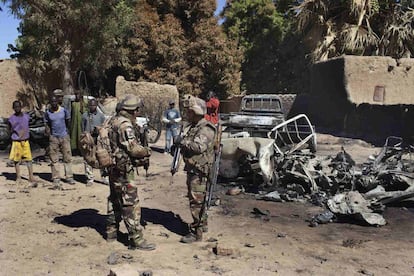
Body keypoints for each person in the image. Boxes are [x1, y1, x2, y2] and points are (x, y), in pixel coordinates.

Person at [106, 94, 155, 251]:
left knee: (114, 198)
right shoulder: (125, 125)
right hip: (124, 170)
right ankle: (136, 239)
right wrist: (147, 151)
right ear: (133, 110)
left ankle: (111, 232)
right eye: (137, 110)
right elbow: (134, 149)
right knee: (130, 203)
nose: (138, 113)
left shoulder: (111, 120)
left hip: (112, 167)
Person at [178, 95, 216, 243]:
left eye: (189, 111)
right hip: (194, 169)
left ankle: (196, 232)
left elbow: (199, 147)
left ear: (196, 112)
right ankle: (202, 224)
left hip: (200, 171)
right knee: (198, 200)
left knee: (196, 202)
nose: (187, 113)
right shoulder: (195, 127)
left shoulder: (206, 128)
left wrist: (182, 141)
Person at [44, 95, 75, 189]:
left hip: (64, 137)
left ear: (58, 102)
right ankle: (56, 178)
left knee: (67, 157)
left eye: (55, 102)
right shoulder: (48, 113)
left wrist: (67, 133)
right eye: (52, 102)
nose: (53, 104)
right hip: (54, 138)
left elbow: (68, 121)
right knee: (54, 159)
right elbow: (46, 123)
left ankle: (69, 177)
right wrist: (49, 133)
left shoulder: (63, 111)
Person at [8, 100, 37, 187]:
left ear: (21, 107)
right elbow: (10, 130)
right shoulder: (11, 119)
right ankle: (18, 177)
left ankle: (31, 176)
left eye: (18, 106)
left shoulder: (26, 117)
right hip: (16, 142)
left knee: (28, 159)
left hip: (25, 141)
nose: (17, 108)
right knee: (16, 160)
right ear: (13, 108)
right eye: (15, 107)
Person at [81, 99, 106, 186]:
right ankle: (89, 178)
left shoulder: (101, 116)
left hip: (98, 140)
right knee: (88, 159)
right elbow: (82, 128)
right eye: (91, 105)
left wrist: (98, 130)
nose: (92, 107)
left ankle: (104, 177)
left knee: (102, 158)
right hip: (88, 140)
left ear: (96, 106)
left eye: (94, 105)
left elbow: (104, 127)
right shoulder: (85, 116)